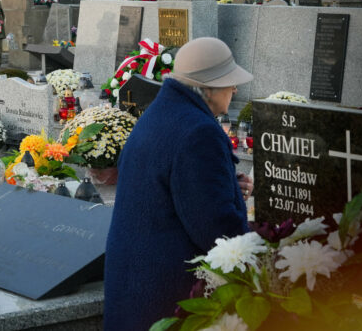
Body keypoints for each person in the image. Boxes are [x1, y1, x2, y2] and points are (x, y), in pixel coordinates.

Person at [104, 37, 254, 330]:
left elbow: (169, 188)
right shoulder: (200, 132)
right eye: (229, 82)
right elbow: (217, 230)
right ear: (208, 89)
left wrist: (227, 185)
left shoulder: (159, 114)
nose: (235, 89)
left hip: (134, 284)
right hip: (168, 296)